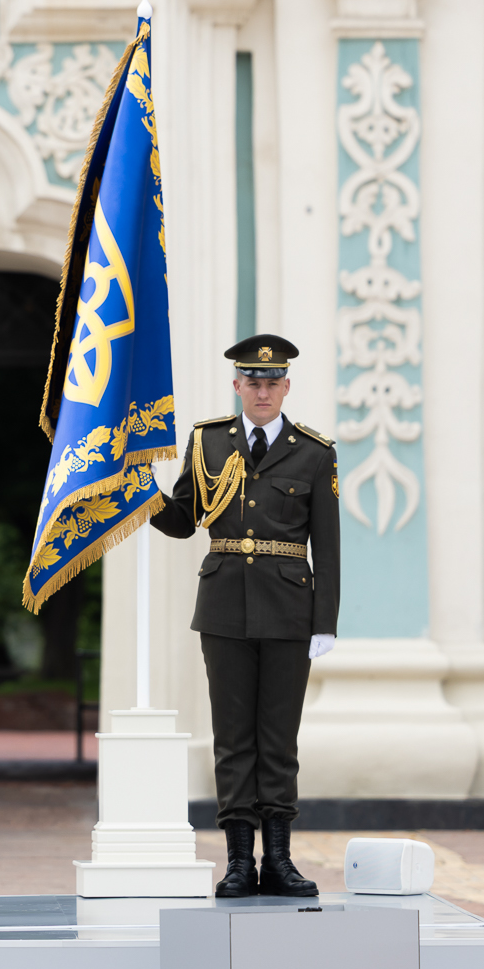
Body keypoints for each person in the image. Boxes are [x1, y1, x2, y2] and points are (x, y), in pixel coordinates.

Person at [150, 334, 340, 898]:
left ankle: (278, 859)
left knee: (278, 740)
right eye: (253, 382)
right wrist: (142, 494)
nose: (263, 391)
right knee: (232, 739)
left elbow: (328, 547)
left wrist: (324, 621)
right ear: (237, 386)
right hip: (225, 605)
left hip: (289, 610)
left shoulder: (315, 452)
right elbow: (184, 520)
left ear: (286, 387)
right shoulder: (207, 442)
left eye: (272, 382)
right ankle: (238, 861)